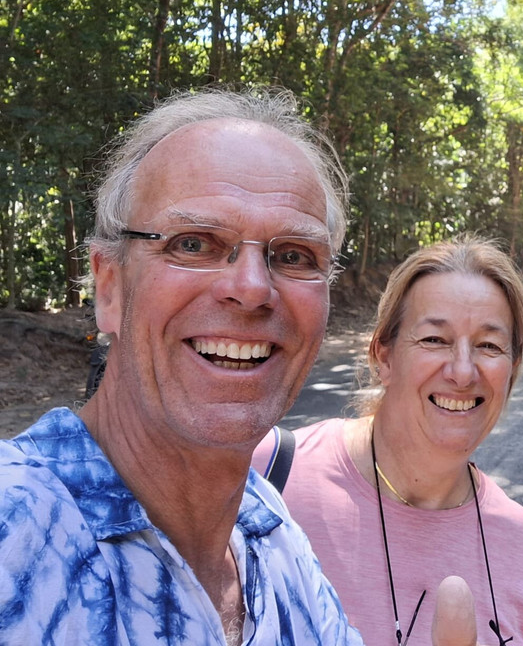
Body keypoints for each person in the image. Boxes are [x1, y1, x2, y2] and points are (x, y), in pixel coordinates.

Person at [0, 88, 473, 646]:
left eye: (294, 255)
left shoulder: (269, 530)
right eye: (194, 243)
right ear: (110, 286)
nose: (251, 289)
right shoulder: (14, 531)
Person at [252, 238, 523, 646]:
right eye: (434, 340)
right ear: (383, 357)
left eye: (488, 346)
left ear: (512, 369)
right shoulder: (268, 479)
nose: (462, 371)